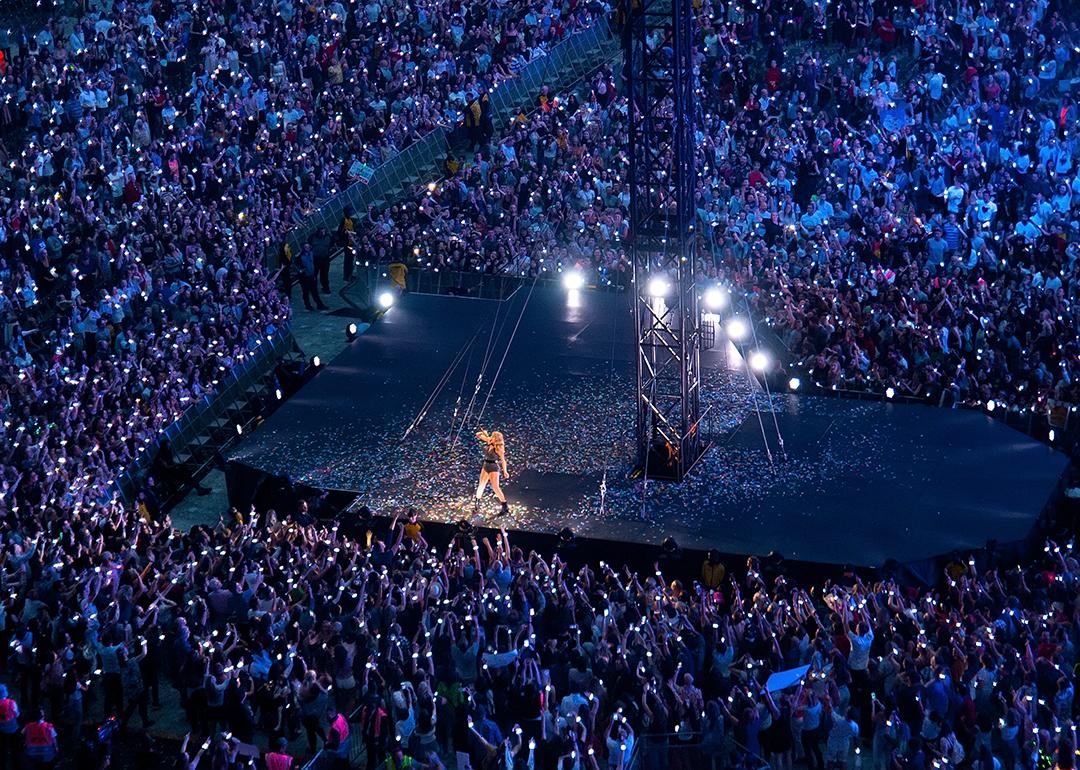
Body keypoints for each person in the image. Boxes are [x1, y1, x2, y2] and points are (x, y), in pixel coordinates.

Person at [474, 430, 509, 515]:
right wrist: (484, 433)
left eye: (493, 437)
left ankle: (505, 506)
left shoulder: (499, 448)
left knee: (495, 487)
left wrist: (505, 471)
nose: (491, 437)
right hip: (485, 465)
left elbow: (503, 461)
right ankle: (477, 502)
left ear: (496, 439)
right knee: (481, 485)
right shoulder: (489, 440)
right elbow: (478, 435)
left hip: (493, 467)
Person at [0, 686, 19, 770]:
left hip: (1, 730)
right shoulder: (11, 702)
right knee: (15, 748)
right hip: (13, 728)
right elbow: (17, 714)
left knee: (2, 749)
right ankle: (16, 765)